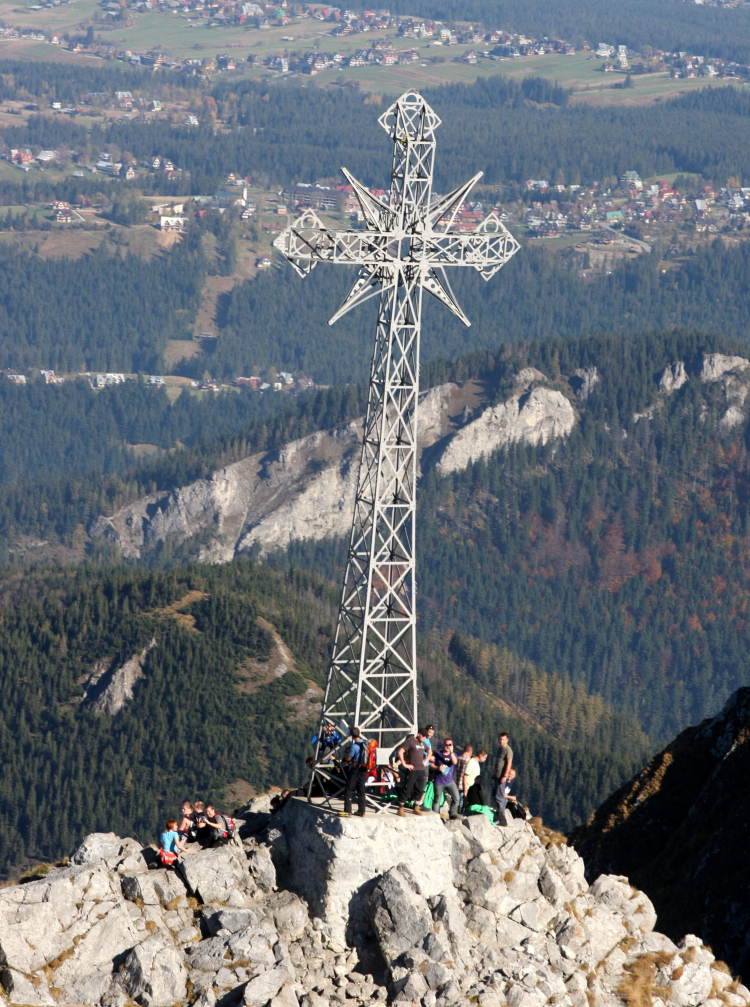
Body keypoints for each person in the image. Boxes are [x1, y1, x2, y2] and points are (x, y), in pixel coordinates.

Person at [397, 727, 429, 817]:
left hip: (421, 770)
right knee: (408, 789)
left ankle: (416, 807)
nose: (424, 737)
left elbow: (429, 751)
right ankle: (400, 808)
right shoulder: (411, 742)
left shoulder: (423, 743)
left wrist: (426, 761)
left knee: (420, 789)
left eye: (425, 736)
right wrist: (404, 764)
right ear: (418, 734)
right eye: (423, 735)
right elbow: (400, 751)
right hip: (412, 770)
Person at [342, 727, 368, 817]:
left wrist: (345, 757)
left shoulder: (354, 746)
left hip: (356, 768)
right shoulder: (365, 743)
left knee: (349, 788)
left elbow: (349, 758)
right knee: (361, 790)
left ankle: (348, 810)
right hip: (364, 768)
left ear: (352, 735)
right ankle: (362, 811)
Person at [432, 738, 459, 820]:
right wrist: (437, 768)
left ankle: (452, 813)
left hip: (449, 781)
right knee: (437, 800)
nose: (448, 746)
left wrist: (451, 752)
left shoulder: (453, 754)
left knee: (457, 798)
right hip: (439, 781)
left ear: (452, 745)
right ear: (443, 745)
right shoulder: (437, 754)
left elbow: (455, 762)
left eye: (450, 744)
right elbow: (431, 765)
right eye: (446, 744)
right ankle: (435, 817)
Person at [492, 732, 514, 820]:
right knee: (495, 795)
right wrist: (494, 773)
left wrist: (505, 776)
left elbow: (509, 763)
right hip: (497, 775)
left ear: (507, 740)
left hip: (502, 776)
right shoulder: (500, 749)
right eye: (500, 739)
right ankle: (499, 813)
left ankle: (502, 817)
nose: (501, 741)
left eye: (503, 739)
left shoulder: (508, 750)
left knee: (500, 797)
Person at [455, 743, 473, 814]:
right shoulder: (469, 760)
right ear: (470, 751)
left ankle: (455, 812)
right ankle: (460, 813)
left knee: (457, 799)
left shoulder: (458, 758)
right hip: (464, 784)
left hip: (457, 782)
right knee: (462, 800)